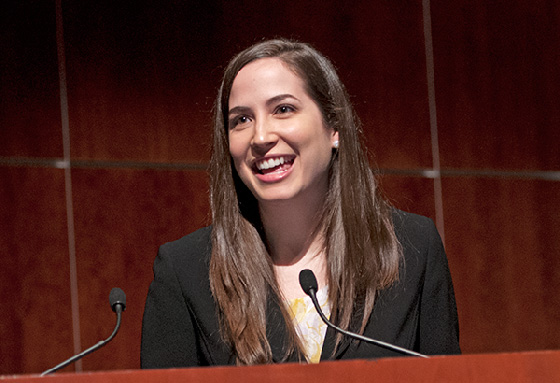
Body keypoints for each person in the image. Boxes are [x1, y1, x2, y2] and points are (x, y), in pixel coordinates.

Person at [141, 39, 460, 368]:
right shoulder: (185, 270)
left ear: (333, 126)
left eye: (283, 109)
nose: (261, 136)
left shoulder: (413, 247)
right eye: (241, 120)